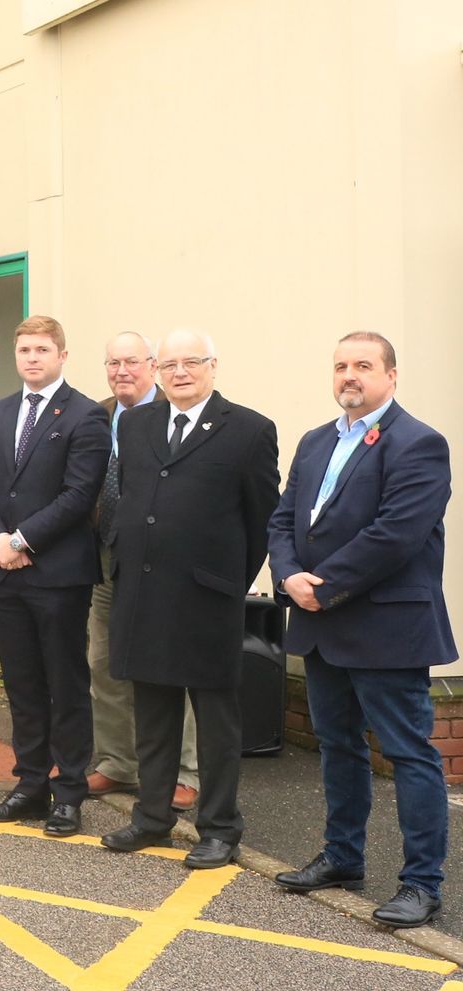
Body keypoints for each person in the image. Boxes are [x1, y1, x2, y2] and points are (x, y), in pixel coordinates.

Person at [269, 332, 454, 929]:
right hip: (321, 626)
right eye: (341, 365)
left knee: (407, 753)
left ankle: (422, 885)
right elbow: (283, 518)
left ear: (392, 376)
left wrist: (319, 586)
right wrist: (289, 574)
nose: (350, 376)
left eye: (364, 366)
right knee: (338, 746)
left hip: (385, 627)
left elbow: (395, 535)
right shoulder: (318, 440)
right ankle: (343, 857)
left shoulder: (419, 443)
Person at [99, 331, 278, 870]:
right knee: (153, 715)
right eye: (171, 364)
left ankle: (220, 829)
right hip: (142, 593)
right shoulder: (136, 423)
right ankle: (152, 818)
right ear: (159, 370)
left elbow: (261, 521)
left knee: (217, 723)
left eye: (191, 363)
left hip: (207, 599)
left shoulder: (248, 430)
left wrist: (225, 579)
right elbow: (131, 498)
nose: (180, 372)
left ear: (213, 367)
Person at [0, 315, 107, 837]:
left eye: (42, 349)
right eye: (24, 349)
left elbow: (78, 495)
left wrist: (22, 540)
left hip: (57, 575)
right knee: (22, 683)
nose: (32, 358)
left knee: (64, 684)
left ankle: (68, 791)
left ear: (62, 356)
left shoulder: (87, 416)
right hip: (1, 573)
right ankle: (29, 783)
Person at [88, 331, 200, 810]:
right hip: (106, 558)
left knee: (171, 665)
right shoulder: (99, 415)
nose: (121, 372)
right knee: (104, 661)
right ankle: (117, 762)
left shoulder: (169, 416)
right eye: (113, 364)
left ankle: (185, 771)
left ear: (151, 366)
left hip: (162, 563)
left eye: (131, 362)